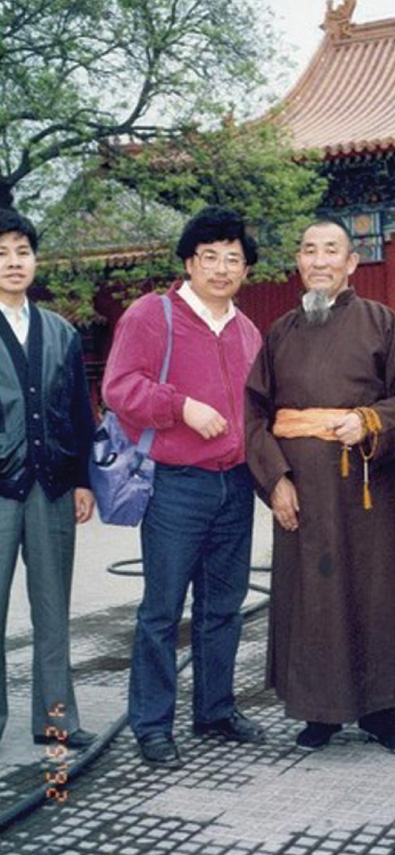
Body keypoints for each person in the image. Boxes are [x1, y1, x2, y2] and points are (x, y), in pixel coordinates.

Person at [245, 218, 395, 753]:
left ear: (352, 263)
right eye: (309, 251)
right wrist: (276, 480)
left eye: (332, 251)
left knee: (377, 594)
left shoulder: (381, 322)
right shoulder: (279, 333)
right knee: (312, 598)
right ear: (299, 264)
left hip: (370, 490)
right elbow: (256, 414)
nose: (320, 261)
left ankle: (381, 712)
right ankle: (318, 712)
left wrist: (371, 422)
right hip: (303, 493)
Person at [102, 206, 264, 769]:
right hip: (176, 486)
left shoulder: (247, 330)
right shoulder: (154, 315)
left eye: (234, 260)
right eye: (211, 257)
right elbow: (119, 387)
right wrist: (181, 407)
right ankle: (151, 725)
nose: (222, 269)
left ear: (245, 269)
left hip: (234, 485)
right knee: (162, 611)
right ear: (190, 262)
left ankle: (215, 711)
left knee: (224, 607)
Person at [0, 208, 96, 749]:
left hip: (54, 486)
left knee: (53, 609)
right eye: (2, 254)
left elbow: (79, 414)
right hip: (0, 488)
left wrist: (83, 480)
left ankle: (56, 718)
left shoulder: (60, 332)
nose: (14, 263)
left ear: (36, 260)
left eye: (22, 252)